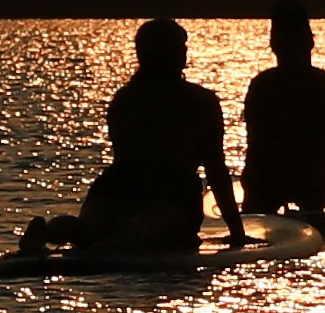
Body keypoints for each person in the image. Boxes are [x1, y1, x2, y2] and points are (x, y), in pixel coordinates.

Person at [19, 16, 249, 255]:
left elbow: (123, 154)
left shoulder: (124, 100)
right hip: (171, 193)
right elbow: (216, 169)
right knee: (148, 232)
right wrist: (237, 231)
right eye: (182, 47)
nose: (185, 54)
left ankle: (47, 232)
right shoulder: (200, 102)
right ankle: (113, 245)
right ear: (174, 54)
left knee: (84, 228)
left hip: (115, 187)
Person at [239, 11, 325, 224]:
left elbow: (255, 143)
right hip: (297, 179)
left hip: (287, 179)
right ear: (310, 42)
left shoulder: (262, 85)